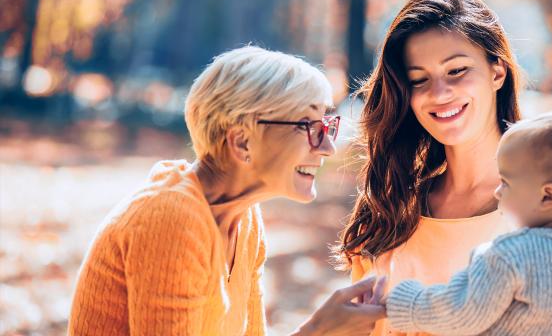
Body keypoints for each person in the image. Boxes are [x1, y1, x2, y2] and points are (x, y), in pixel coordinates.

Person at [337, 0, 552, 335]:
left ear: (497, 72)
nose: (438, 93)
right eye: (419, 79)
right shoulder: (389, 212)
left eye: (456, 70)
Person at [68, 46, 385, 335]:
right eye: (308, 126)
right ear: (242, 141)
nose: (328, 147)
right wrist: (317, 329)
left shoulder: (244, 219)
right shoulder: (171, 219)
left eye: (327, 124)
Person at [383, 108, 552, 335]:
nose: (497, 192)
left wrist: (401, 301)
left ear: (547, 195)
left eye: (505, 182)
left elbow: (462, 312)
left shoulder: (509, 255)